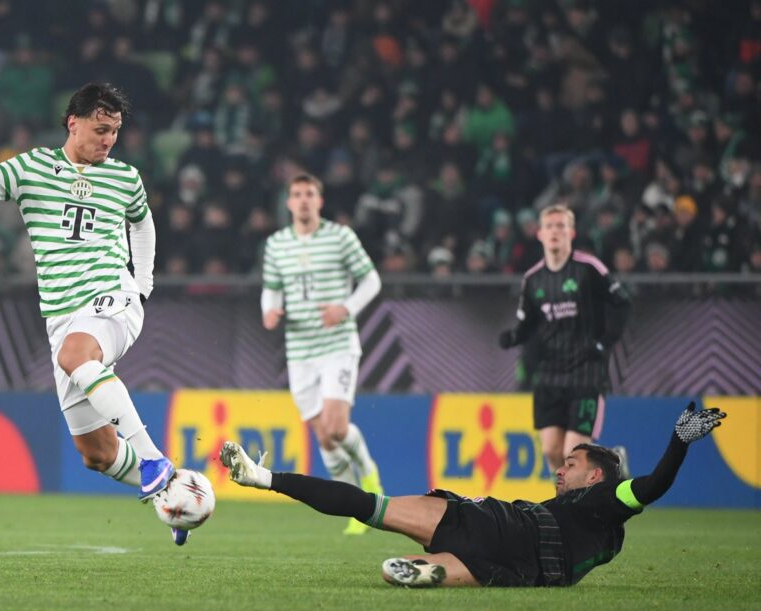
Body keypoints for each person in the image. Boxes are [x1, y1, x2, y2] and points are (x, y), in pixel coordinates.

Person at [0, 84, 184, 543]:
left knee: (75, 357)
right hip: (62, 317)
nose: (109, 139)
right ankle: (174, 493)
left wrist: (143, 284)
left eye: (114, 131)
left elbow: (143, 223)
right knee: (96, 454)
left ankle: (153, 458)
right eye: (100, 129)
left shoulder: (125, 177)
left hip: (111, 298)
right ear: (73, 123)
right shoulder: (33, 168)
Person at [220, 402, 726, 588]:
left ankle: (264, 478)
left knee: (371, 506)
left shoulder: (607, 500)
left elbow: (652, 486)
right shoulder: (606, 531)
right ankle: (430, 571)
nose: (559, 468)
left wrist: (679, 441)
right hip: (518, 569)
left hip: (500, 524)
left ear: (597, 477)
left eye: (570, 464)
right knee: (451, 570)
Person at [261, 173, 384, 535]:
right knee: (324, 436)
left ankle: (370, 475)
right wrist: (269, 311)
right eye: (297, 194)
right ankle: (355, 509)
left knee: (336, 426)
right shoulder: (276, 244)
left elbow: (371, 280)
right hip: (299, 351)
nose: (303, 200)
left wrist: (345, 308)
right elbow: (271, 289)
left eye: (309, 194)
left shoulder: (340, 237)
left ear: (320, 201)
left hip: (337, 345)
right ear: (288, 202)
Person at [498, 205, 630, 473]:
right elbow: (528, 323)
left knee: (573, 453)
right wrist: (513, 337)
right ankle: (602, 468)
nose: (555, 231)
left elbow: (622, 303)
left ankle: (610, 464)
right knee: (551, 451)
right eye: (549, 226)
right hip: (549, 374)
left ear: (571, 232)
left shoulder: (588, 268)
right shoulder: (533, 279)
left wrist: (603, 343)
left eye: (561, 226)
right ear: (540, 234)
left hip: (586, 372)